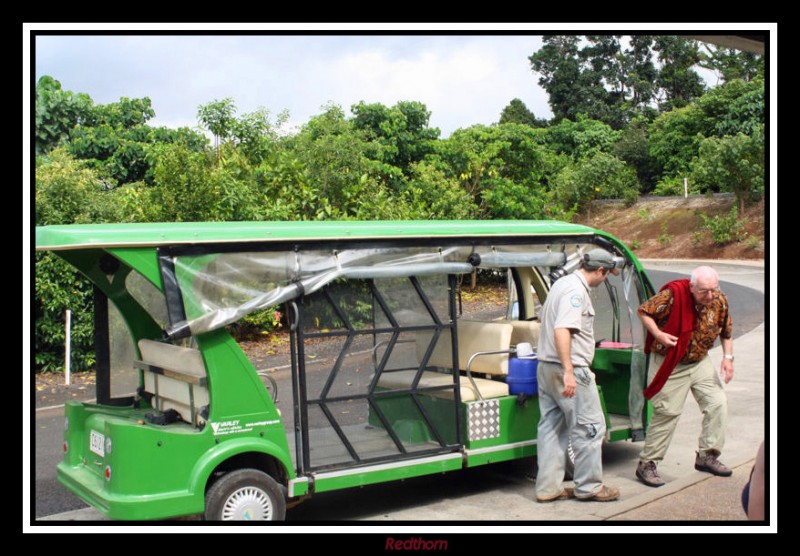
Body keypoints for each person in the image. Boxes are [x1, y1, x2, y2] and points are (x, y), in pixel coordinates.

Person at [635, 265, 734, 487]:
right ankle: (647, 464)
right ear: (691, 287)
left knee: (718, 403)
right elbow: (644, 311)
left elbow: (726, 332)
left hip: (699, 361)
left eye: (713, 289)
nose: (709, 296)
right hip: (670, 362)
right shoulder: (673, 296)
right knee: (668, 412)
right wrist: (658, 334)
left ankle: (707, 455)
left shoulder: (719, 300)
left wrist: (728, 358)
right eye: (703, 291)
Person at [535, 248, 621, 503]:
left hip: (545, 367)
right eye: (606, 275)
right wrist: (570, 371)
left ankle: (548, 488)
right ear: (600, 270)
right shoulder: (576, 292)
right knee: (590, 427)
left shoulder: (562, 283)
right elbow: (563, 330)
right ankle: (589, 487)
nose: (605, 279)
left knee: (551, 428)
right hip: (568, 369)